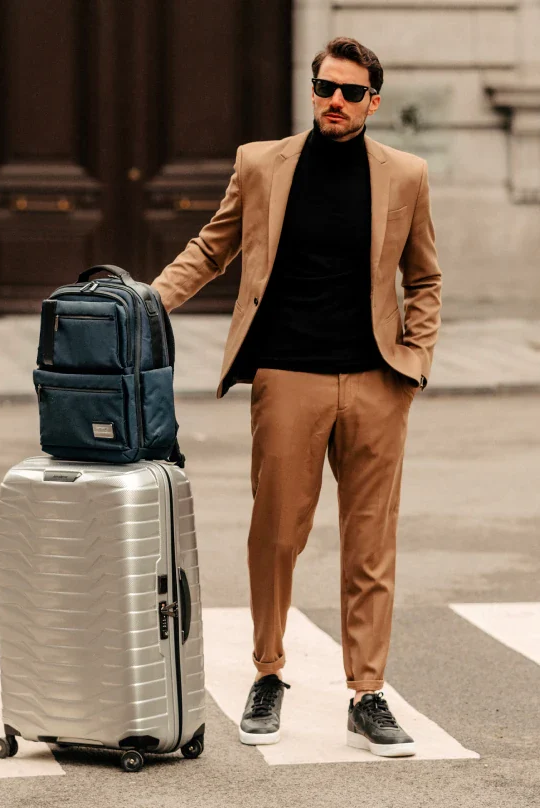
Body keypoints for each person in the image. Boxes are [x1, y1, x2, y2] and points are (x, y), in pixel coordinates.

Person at [151, 37, 442, 758]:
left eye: (350, 92)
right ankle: (268, 672)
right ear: (312, 90)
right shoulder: (262, 165)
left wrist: (414, 363)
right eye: (324, 87)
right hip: (287, 376)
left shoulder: (406, 175)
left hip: (376, 382)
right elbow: (211, 248)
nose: (334, 101)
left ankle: (367, 694)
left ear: (373, 101)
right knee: (276, 535)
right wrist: (147, 304)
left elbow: (424, 278)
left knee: (370, 544)